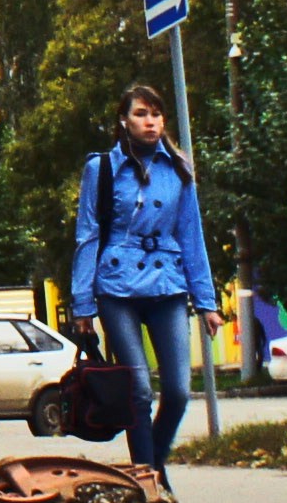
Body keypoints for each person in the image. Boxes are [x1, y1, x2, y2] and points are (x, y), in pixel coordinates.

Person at [68, 82, 219, 466]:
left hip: (168, 284)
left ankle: (152, 464)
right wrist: (82, 305)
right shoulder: (101, 168)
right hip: (116, 287)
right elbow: (88, 235)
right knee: (137, 390)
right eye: (140, 114)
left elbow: (191, 235)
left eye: (156, 114)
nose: (150, 122)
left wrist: (206, 302)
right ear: (124, 120)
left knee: (179, 391)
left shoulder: (179, 168)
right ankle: (149, 478)